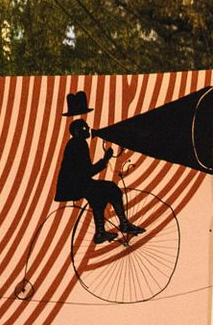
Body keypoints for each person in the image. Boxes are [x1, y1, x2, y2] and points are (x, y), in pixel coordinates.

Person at [53, 91, 144, 245]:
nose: (88, 130)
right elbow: (87, 171)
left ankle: (102, 231)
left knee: (100, 195)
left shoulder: (76, 143)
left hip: (76, 184)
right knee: (111, 188)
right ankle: (122, 224)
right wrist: (105, 159)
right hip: (75, 186)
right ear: (77, 131)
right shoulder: (78, 145)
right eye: (85, 128)